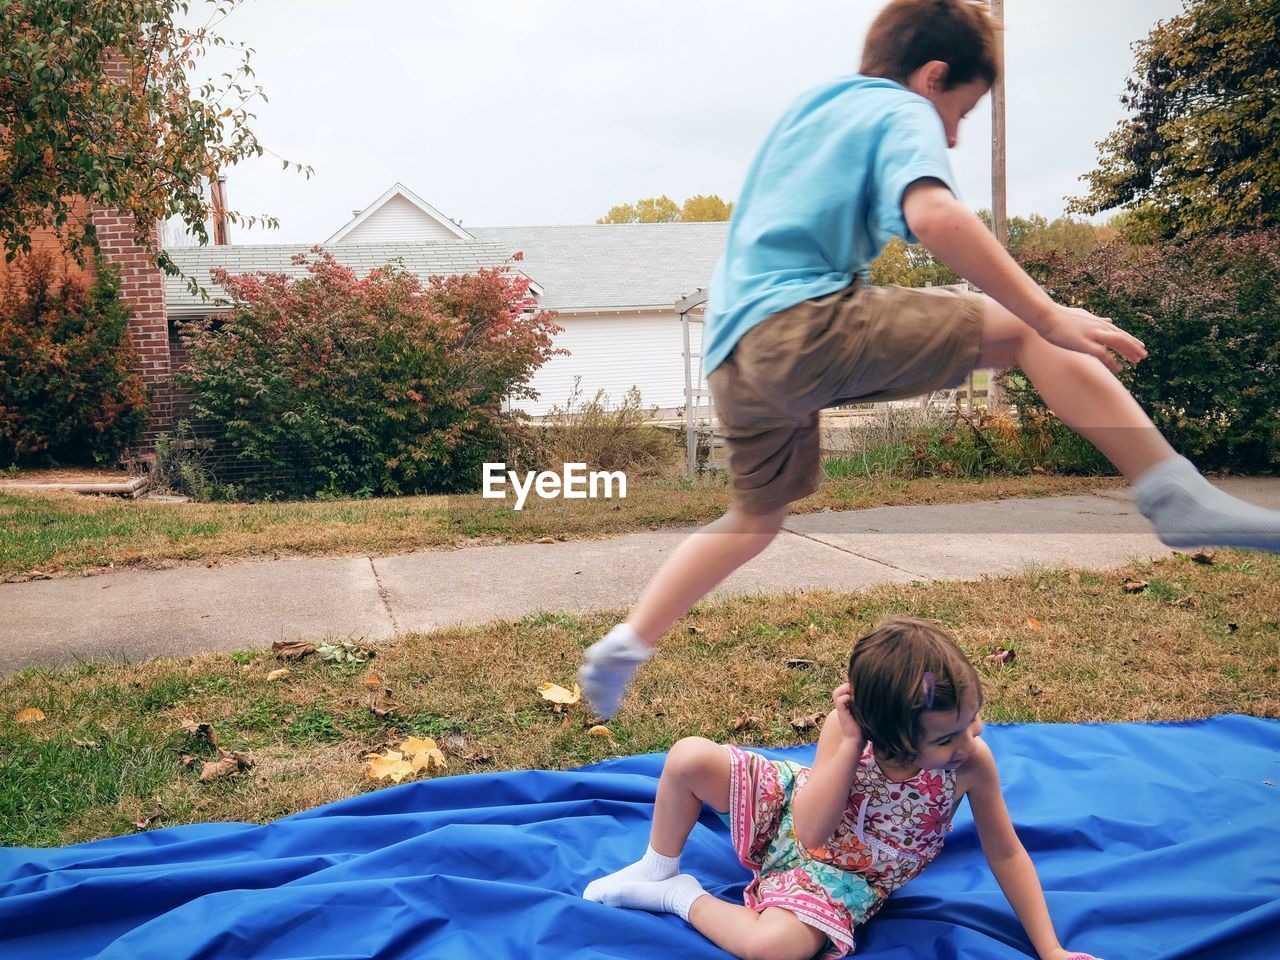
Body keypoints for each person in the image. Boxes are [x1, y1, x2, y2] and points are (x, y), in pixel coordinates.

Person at [577, 0, 1280, 720]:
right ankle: (1173, 493)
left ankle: (625, 646)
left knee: (756, 518)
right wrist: (1047, 313)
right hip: (799, 326)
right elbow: (935, 215)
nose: (949, 135)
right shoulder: (900, 107)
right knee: (1031, 334)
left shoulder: (815, 109)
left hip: (735, 356)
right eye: (961, 115)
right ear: (933, 76)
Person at [583, 618, 1102, 960]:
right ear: (888, 734)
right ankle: (658, 867)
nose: (970, 740)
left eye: (972, 722)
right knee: (689, 756)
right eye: (947, 736)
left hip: (845, 876)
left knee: (775, 948)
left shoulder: (970, 765)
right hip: (798, 814)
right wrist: (851, 746)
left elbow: (1007, 852)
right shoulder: (849, 737)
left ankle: (679, 896)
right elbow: (809, 828)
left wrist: (1050, 950)